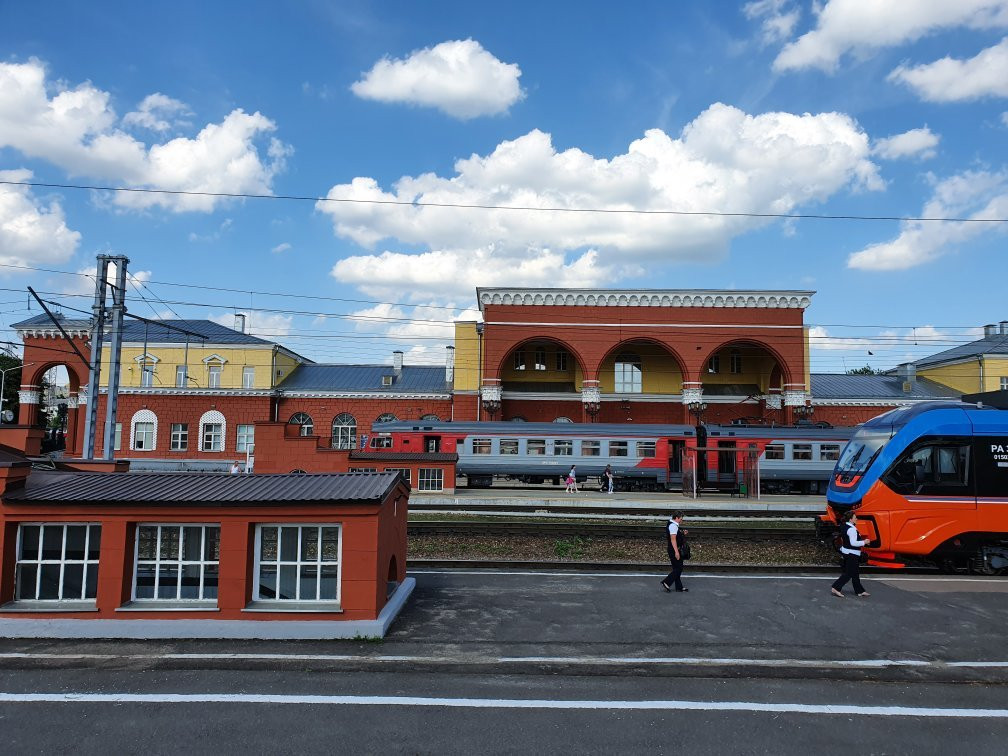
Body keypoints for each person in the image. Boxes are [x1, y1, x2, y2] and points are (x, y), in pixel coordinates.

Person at [831, 510, 870, 598]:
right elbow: (853, 543)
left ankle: (859, 591)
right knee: (849, 573)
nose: (856, 519)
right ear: (851, 519)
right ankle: (836, 587)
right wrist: (864, 542)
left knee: (855, 573)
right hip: (852, 554)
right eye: (855, 518)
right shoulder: (852, 529)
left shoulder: (844, 526)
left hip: (847, 552)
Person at [661, 511, 688, 593]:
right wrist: (676, 552)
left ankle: (679, 587)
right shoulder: (673, 526)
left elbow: (675, 536)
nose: (681, 520)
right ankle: (666, 582)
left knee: (676, 568)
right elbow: (673, 540)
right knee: (679, 568)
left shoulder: (672, 524)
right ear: (676, 518)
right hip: (674, 549)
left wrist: (682, 533)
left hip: (672, 549)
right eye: (680, 519)